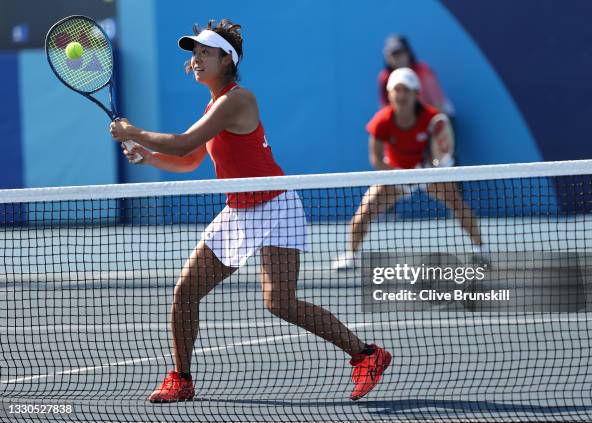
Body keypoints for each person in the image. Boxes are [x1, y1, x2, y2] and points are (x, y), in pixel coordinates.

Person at [109, 19, 391, 403]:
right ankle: (181, 379)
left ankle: (367, 355)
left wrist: (134, 132)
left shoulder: (237, 101)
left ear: (227, 60)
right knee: (185, 292)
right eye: (194, 53)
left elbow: (182, 143)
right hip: (239, 211)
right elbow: (189, 158)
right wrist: (147, 155)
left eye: (205, 52)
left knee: (280, 303)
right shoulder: (214, 104)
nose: (196, 59)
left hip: (276, 208)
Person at [333, 67, 487, 270]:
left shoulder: (432, 118)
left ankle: (481, 250)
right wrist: (401, 176)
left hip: (427, 173)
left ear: (416, 93)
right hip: (395, 174)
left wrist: (429, 168)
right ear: (389, 94)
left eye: (406, 90)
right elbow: (376, 160)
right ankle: (352, 255)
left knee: (458, 204)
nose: (401, 95)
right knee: (363, 214)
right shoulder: (381, 121)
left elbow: (441, 151)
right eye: (397, 90)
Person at [378, 34, 455, 116]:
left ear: (408, 53)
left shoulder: (423, 71)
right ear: (388, 58)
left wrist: (439, 122)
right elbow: (384, 107)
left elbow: (437, 102)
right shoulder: (385, 77)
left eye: (400, 53)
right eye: (393, 55)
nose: (397, 58)